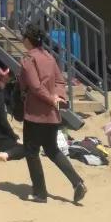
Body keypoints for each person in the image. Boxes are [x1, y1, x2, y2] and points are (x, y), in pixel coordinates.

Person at [19, 25, 87, 204]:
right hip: (52, 114)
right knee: (52, 150)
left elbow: (34, 87)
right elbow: (59, 80)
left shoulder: (28, 59)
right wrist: (58, 97)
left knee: (31, 151)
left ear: (28, 39)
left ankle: (40, 192)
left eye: (23, 37)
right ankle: (77, 181)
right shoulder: (49, 57)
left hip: (35, 113)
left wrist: (50, 99)